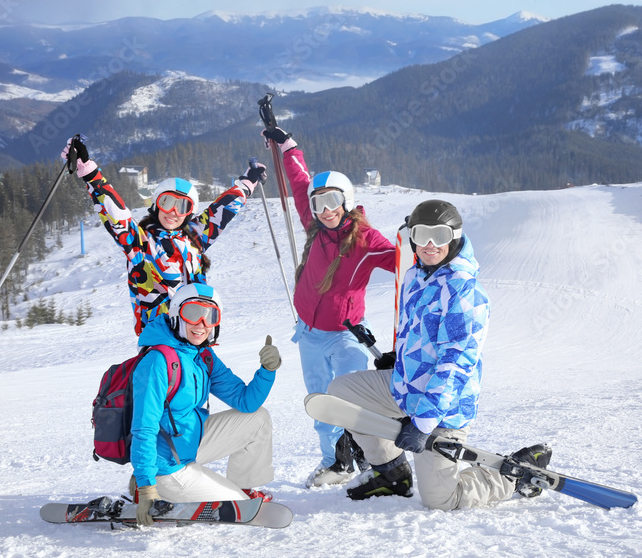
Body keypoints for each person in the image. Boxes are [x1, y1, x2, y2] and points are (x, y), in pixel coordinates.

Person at [327, 199, 551, 510]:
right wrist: (401, 357)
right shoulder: (416, 275)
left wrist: (423, 423)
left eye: (440, 236)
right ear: (412, 237)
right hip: (405, 386)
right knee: (340, 394)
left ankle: (513, 477)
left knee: (441, 499)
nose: (430, 245)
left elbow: (455, 364)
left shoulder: (465, 292)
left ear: (455, 237)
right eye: (422, 235)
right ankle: (391, 472)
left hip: (444, 406)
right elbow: (419, 331)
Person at [261, 127, 396, 488]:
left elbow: (398, 259)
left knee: (354, 401)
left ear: (347, 201)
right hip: (308, 334)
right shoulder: (314, 225)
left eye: (332, 201)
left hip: (346, 335)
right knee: (320, 403)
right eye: (319, 203)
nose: (325, 210)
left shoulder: (365, 239)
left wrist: (418, 246)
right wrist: (286, 144)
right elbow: (297, 179)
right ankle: (336, 463)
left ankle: (373, 460)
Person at [63, 137, 265, 335]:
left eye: (182, 206)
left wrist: (247, 183)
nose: (173, 212)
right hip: (160, 337)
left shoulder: (194, 238)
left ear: (189, 213)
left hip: (196, 332)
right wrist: (90, 173)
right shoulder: (140, 243)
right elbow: (117, 216)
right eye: (167, 202)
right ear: (155, 204)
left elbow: (222, 210)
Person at [129, 283, 280, 525]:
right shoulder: (158, 361)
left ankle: (244, 487)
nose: (201, 324)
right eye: (192, 313)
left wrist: (267, 371)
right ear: (177, 314)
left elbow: (246, 401)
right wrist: (148, 487)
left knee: (258, 419)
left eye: (210, 316)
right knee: (239, 508)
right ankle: (147, 485)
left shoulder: (203, 356)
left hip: (189, 443)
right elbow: (143, 429)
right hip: (166, 464)